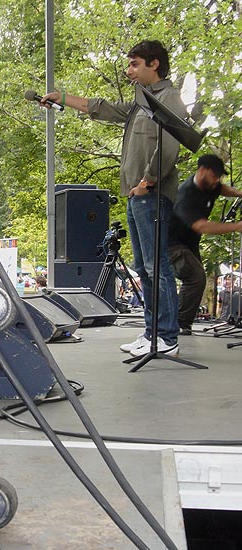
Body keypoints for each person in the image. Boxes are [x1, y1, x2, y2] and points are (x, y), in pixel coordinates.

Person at [41, 40, 185, 357]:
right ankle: (152, 334)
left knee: (157, 266)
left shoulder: (168, 98)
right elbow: (101, 107)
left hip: (152, 194)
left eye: (135, 64)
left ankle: (168, 337)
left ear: (155, 64)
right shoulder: (141, 103)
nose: (128, 70)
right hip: (137, 195)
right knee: (144, 268)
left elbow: (172, 144)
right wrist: (61, 98)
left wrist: (147, 181)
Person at [168, 154, 242, 334]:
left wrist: (240, 193)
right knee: (196, 277)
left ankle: (181, 321)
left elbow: (223, 189)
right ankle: (179, 323)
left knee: (196, 280)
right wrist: (237, 226)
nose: (217, 180)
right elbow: (201, 226)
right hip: (173, 243)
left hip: (190, 243)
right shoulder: (186, 194)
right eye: (214, 175)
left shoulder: (210, 185)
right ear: (202, 171)